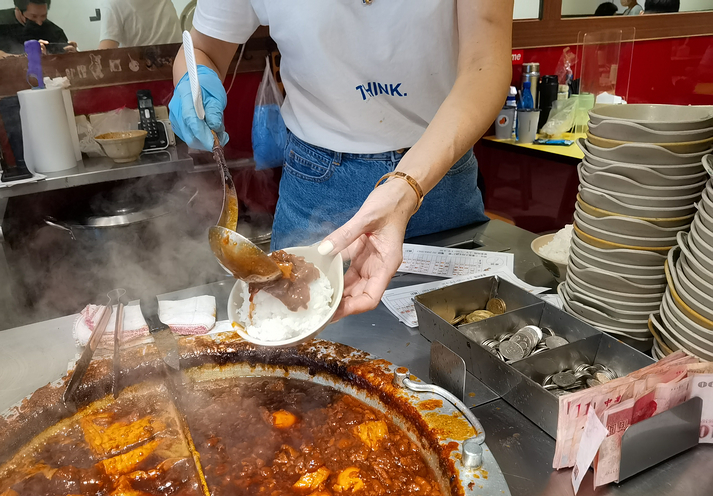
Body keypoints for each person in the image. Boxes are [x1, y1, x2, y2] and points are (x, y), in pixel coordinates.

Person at [169, 1, 512, 319]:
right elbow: (202, 50)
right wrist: (193, 83)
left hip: (439, 172)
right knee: (294, 351)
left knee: (466, 336)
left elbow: (485, 65)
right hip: (315, 180)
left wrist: (407, 185)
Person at [0, 0, 76, 59]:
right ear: (18, 10)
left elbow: (64, 61)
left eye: (43, 16)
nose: (39, 22)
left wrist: (73, 55)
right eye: (33, 16)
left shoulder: (55, 31)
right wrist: (31, 56)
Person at [98, 0, 184, 49]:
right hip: (179, 64)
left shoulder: (112, 3)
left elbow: (105, 53)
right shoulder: (113, 4)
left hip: (148, 70)